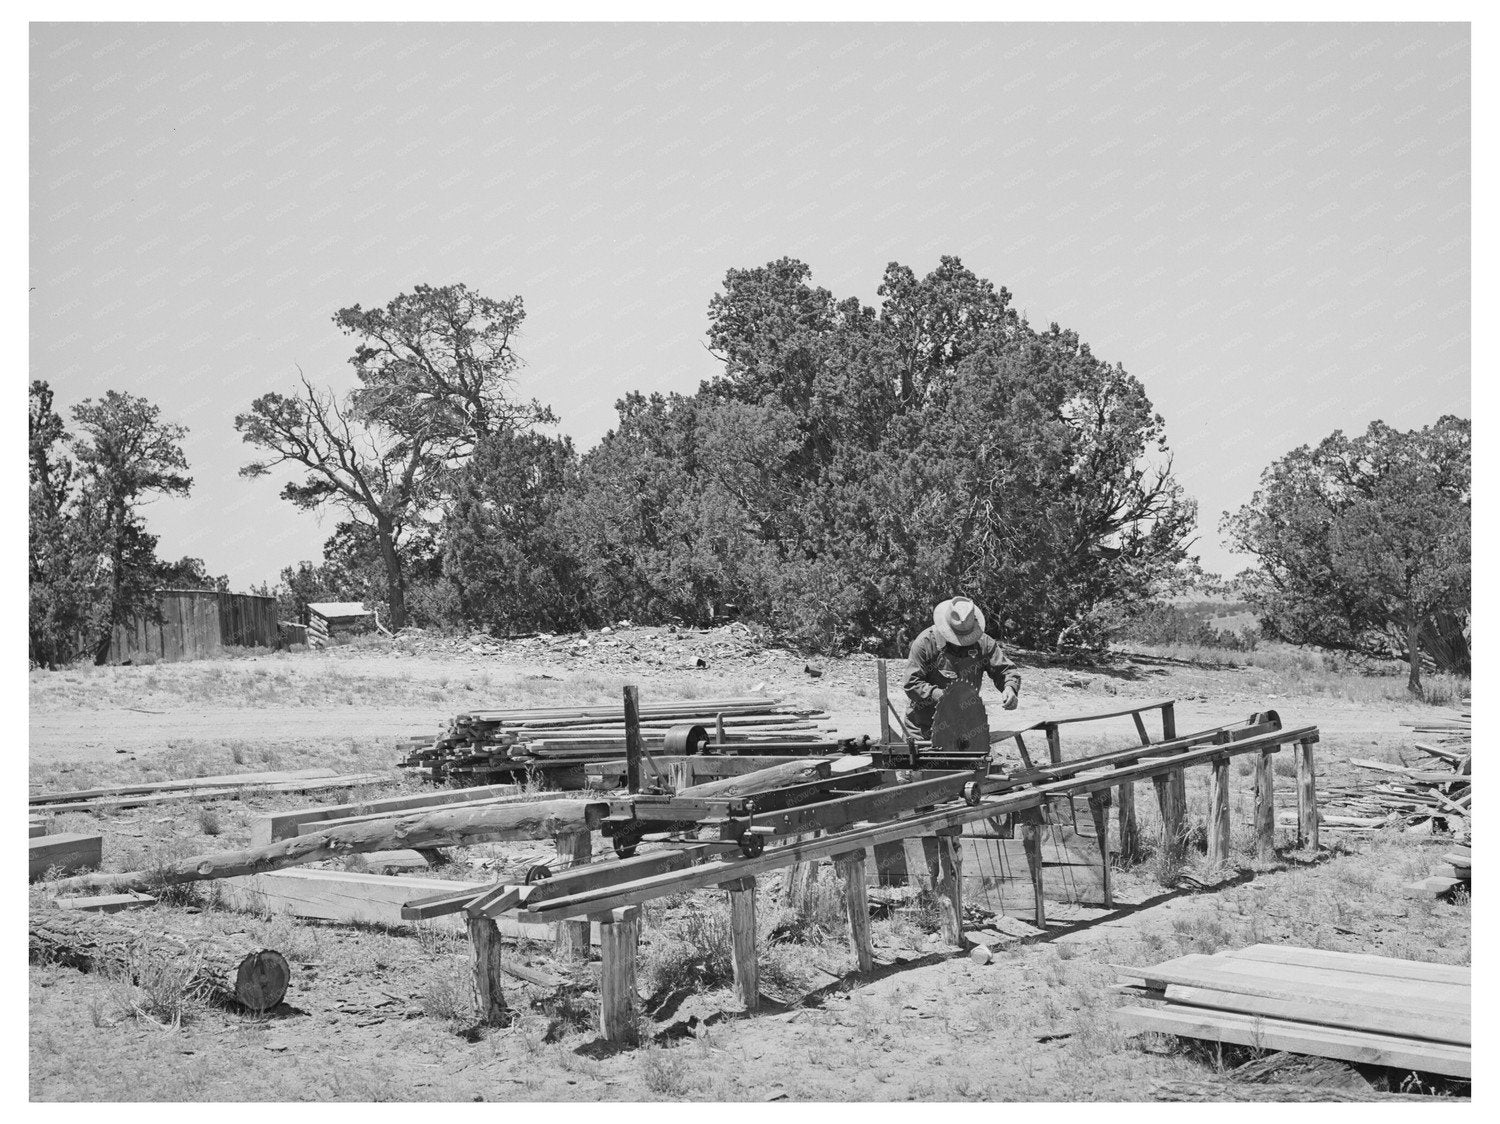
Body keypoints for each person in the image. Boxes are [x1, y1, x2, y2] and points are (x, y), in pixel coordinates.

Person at [903, 596, 1021, 738]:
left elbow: (1005, 670)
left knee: (970, 758)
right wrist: (945, 697)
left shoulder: (983, 643)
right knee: (922, 759)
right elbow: (912, 684)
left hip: (965, 727)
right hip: (924, 728)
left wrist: (1010, 687)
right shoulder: (925, 643)